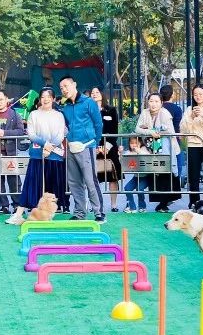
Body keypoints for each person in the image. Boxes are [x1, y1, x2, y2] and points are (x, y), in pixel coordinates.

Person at [10, 88, 67, 224]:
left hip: (54, 156)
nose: (45, 99)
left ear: (53, 99)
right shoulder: (34, 114)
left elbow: (60, 135)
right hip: (37, 155)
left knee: (52, 188)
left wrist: (50, 148)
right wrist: (45, 144)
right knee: (31, 185)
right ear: (40, 99)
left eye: (48, 96)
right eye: (43, 97)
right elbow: (31, 134)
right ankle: (18, 214)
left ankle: (47, 215)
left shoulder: (59, 115)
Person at [59, 75, 104, 222]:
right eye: (61, 88)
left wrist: (96, 142)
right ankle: (79, 213)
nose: (64, 89)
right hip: (71, 147)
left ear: (74, 85)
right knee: (74, 182)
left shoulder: (89, 102)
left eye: (66, 86)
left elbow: (98, 124)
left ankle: (99, 213)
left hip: (87, 146)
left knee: (91, 181)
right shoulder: (65, 107)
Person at [179, 85, 203, 209]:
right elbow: (183, 129)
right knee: (193, 175)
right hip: (193, 145)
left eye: (200, 94)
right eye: (195, 94)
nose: (198, 97)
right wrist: (191, 118)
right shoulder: (188, 110)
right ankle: (194, 202)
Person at [135, 92, 175, 212]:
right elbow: (137, 128)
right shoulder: (145, 112)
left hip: (165, 149)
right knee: (154, 174)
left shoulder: (165, 113)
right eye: (151, 101)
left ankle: (165, 202)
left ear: (161, 103)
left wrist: (157, 132)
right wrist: (150, 132)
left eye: (156, 101)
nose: (153, 104)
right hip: (150, 149)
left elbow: (170, 131)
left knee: (165, 174)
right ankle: (160, 203)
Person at [91, 87, 121, 212]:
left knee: (113, 177)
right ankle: (95, 205)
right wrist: (95, 147)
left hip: (110, 148)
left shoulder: (111, 110)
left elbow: (114, 130)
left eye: (97, 92)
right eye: (92, 93)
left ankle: (114, 205)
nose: (94, 94)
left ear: (102, 94)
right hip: (93, 147)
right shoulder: (88, 111)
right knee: (93, 178)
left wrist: (107, 146)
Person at [121, 134, 150, 212]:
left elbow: (148, 156)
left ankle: (142, 207)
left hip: (146, 176)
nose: (134, 145)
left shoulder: (143, 149)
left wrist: (139, 151)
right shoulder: (129, 152)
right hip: (136, 176)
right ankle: (132, 207)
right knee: (127, 188)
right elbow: (123, 161)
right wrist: (120, 153)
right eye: (132, 143)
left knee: (139, 189)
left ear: (140, 143)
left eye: (136, 143)